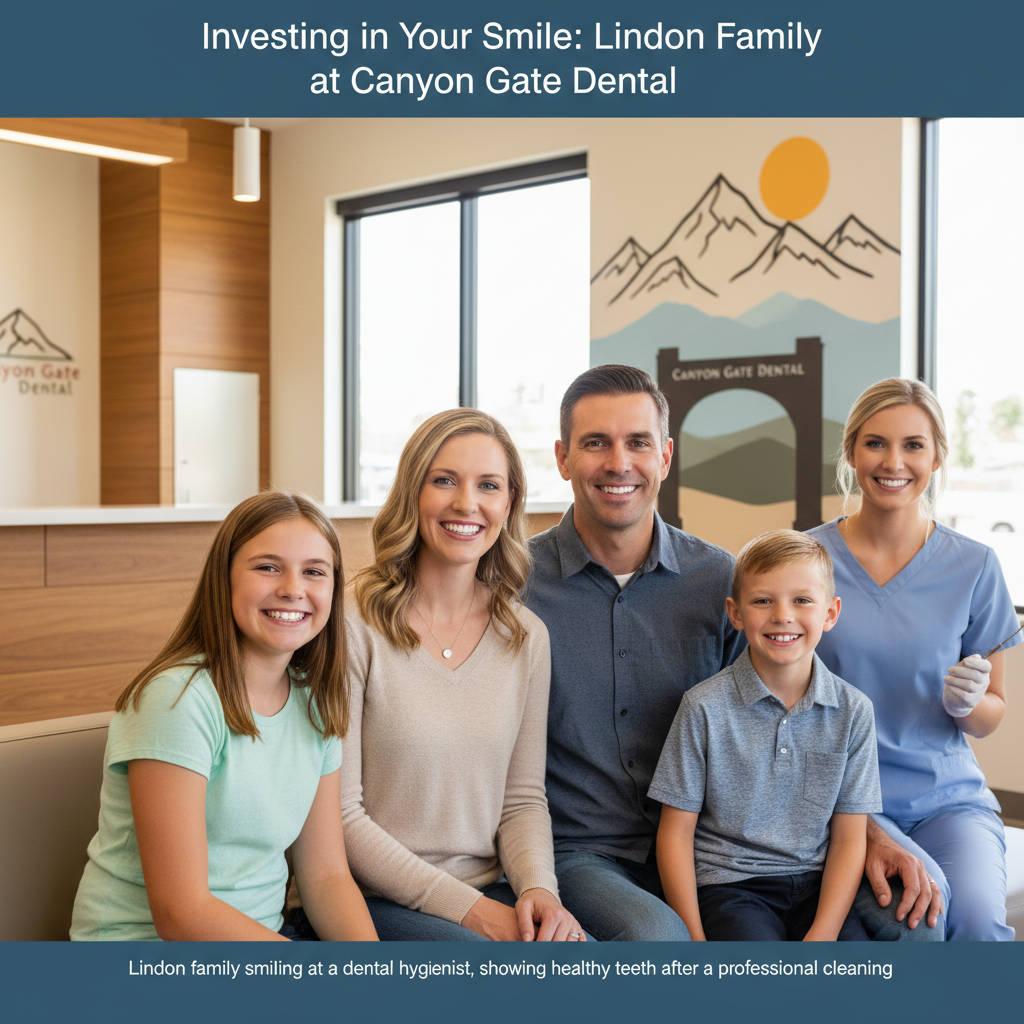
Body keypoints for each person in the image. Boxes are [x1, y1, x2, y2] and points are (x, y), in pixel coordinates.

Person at [70, 492, 377, 941]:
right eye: (268, 567)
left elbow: (326, 876)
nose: (293, 588)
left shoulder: (317, 702)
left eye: (314, 571)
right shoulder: (176, 700)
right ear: (225, 578)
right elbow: (183, 914)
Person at [339, 409, 586, 941]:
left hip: (490, 891)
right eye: (444, 480)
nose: (466, 503)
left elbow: (521, 800)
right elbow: (342, 818)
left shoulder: (525, 637)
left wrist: (539, 892)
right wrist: (473, 911)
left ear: (508, 503)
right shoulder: (351, 624)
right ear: (412, 492)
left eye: (488, 486)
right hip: (379, 898)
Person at [525, 365, 741, 941]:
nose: (619, 463)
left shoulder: (718, 579)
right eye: (595, 442)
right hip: (577, 853)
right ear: (563, 458)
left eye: (637, 442)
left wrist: (869, 830)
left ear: (665, 456)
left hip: (705, 843)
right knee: (655, 940)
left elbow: (776, 718)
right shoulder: (512, 583)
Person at [810, 377, 1021, 941]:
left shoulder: (974, 566)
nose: (893, 462)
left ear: (937, 456)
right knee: (912, 921)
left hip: (946, 798)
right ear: (852, 452)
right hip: (839, 800)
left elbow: (993, 712)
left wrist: (969, 704)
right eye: (875, 443)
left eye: (913, 445)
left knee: (975, 922)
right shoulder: (806, 559)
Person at [652, 530, 881, 940]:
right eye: (762, 600)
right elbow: (675, 832)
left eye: (802, 600)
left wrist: (824, 934)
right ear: (735, 613)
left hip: (815, 883)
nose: (783, 615)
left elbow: (849, 839)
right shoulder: (703, 707)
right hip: (730, 887)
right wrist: (693, 937)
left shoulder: (854, 711)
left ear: (830, 613)